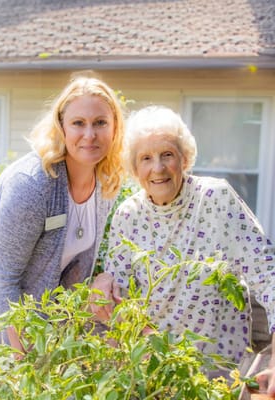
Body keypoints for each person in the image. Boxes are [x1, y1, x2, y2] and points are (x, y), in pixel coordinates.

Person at [90, 105, 275, 391]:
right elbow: (118, 296)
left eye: (167, 155)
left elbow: (267, 274)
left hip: (219, 377)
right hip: (156, 373)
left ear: (184, 158)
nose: (158, 168)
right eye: (146, 158)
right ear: (134, 168)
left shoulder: (216, 199)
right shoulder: (128, 215)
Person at [0, 74, 125, 351]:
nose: (90, 135)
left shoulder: (105, 184)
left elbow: (76, 269)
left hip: (29, 287)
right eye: (78, 123)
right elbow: (4, 279)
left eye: (100, 123)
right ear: (61, 128)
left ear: (115, 128)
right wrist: (21, 358)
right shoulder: (33, 185)